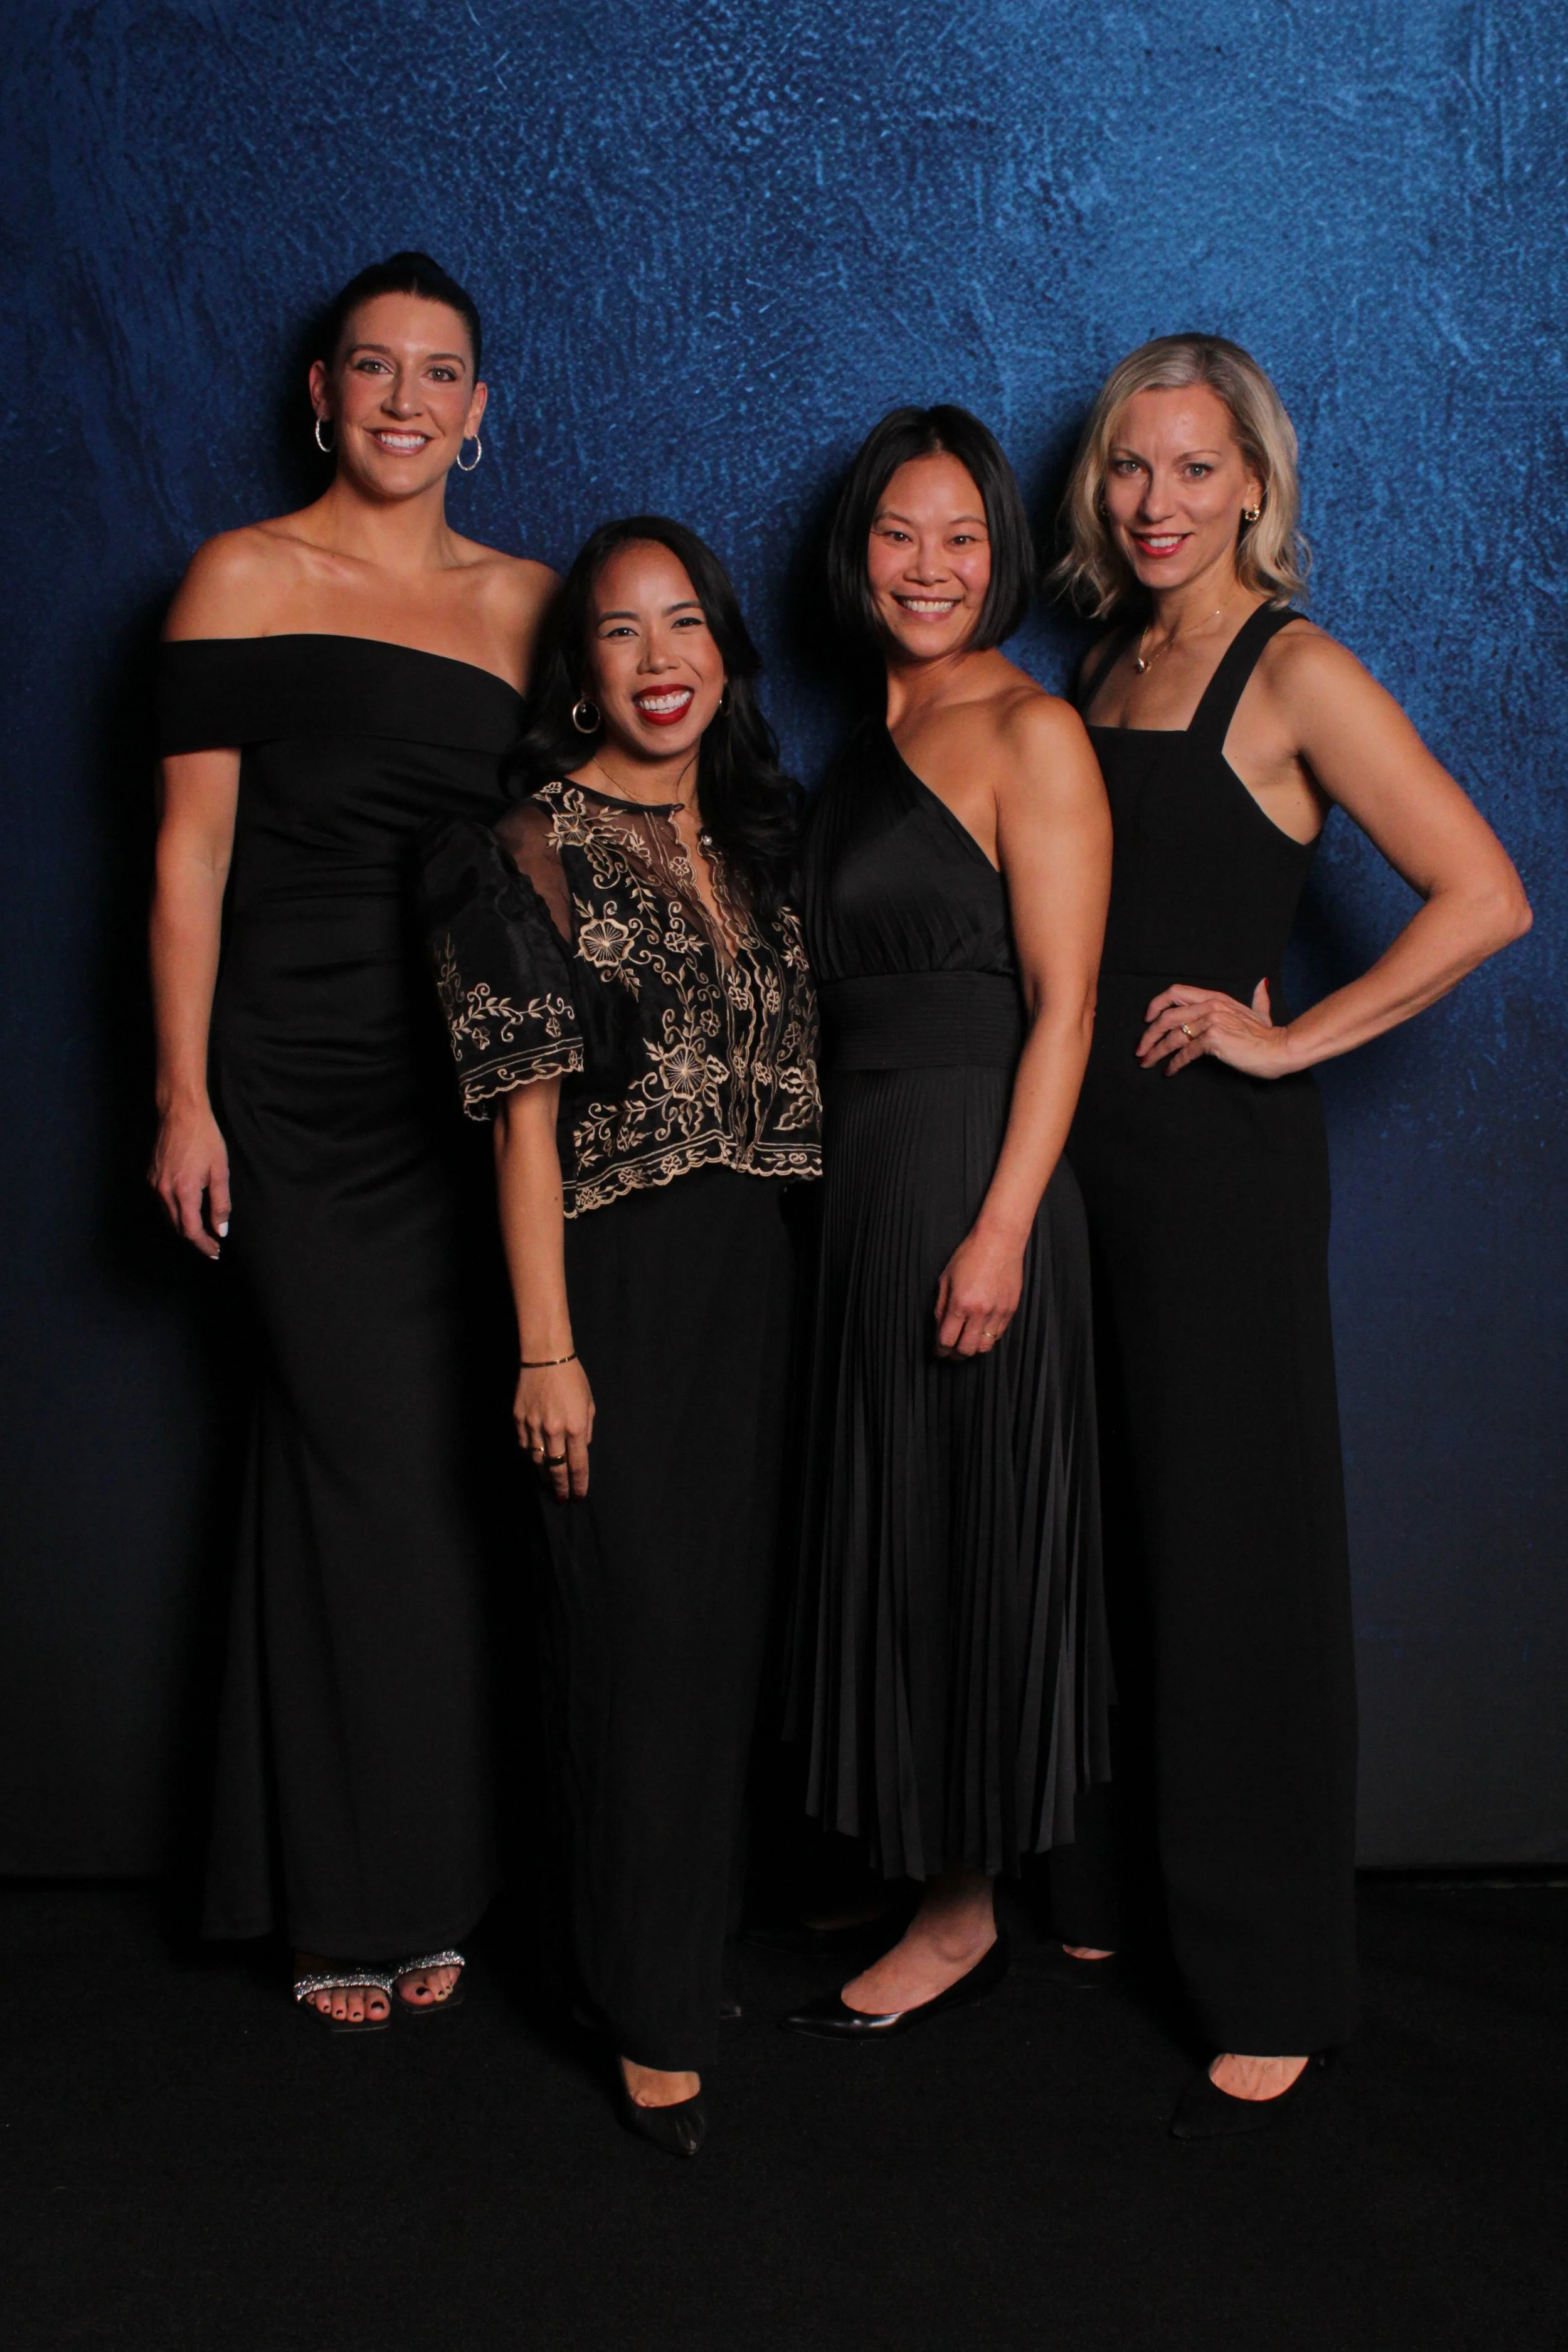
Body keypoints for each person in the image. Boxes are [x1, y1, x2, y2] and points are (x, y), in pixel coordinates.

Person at [1051, 332, 1531, 2135]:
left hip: (1215, 1172)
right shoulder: (1102, 661)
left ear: (1254, 480)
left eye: (1191, 468)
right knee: (1099, 1521)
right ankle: (1100, 1886)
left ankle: (1267, 1968)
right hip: (1076, 1151)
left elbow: (1484, 891)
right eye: (1126, 470)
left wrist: (1286, 1033)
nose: (1156, 502)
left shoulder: (1292, 668)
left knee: (1232, 1547)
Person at [149, 252, 556, 2030]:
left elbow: (567, 857)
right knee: (354, 1464)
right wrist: (184, 1093)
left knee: (438, 1480)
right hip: (293, 1089)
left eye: (438, 372)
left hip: (467, 1094)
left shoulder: (537, 605)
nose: (403, 399)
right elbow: (188, 858)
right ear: (320, 395)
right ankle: (350, 1895)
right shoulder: (241, 576)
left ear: (484, 409)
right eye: (372, 369)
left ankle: (410, 1872)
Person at [421, 516, 820, 2156]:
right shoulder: (517, 846)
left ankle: (666, 1955)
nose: (658, 663)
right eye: (619, 633)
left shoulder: (754, 841)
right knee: (629, 1641)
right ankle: (645, 2011)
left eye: (684, 628)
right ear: (576, 663)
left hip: (757, 1272)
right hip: (610, 1277)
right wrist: (544, 1347)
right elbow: (520, 1120)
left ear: (722, 646)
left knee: (718, 1640)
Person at [781, 406, 1113, 2043]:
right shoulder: (855, 739)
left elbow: (1062, 1009)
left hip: (974, 1170)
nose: (929, 566)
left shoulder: (1028, 730)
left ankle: (967, 1898)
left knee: (965, 1529)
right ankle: (901, 1835)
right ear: (859, 552)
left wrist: (997, 1227)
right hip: (856, 1178)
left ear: (1001, 556)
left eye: (960, 537)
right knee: (883, 1520)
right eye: (899, 534)